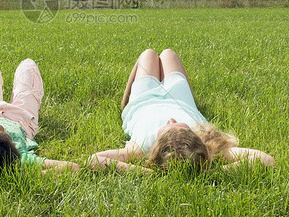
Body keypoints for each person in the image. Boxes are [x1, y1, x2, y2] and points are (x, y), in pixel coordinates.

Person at [89, 49, 275, 173]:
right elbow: (265, 159)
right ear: (195, 138)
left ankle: (125, 103)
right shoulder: (207, 144)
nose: (170, 119)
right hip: (180, 98)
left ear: (157, 145)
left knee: (149, 54)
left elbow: (94, 160)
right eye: (180, 125)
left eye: (166, 127)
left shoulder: (141, 148)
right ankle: (191, 99)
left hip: (144, 100)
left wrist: (146, 173)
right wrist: (211, 170)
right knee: (169, 53)